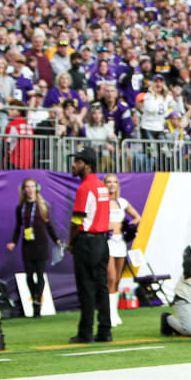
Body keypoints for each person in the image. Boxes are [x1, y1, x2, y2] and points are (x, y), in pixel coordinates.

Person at [67, 147, 112, 343]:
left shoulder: (84, 188)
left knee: (86, 288)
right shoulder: (101, 186)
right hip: (102, 241)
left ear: (87, 164)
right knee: (102, 288)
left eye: (77, 161)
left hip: (87, 241)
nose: (74, 165)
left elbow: (77, 221)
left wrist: (71, 242)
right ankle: (105, 330)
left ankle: (85, 333)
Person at [6, 178, 62, 317]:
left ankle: (38, 302)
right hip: (28, 243)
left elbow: (48, 224)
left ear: (36, 189)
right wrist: (13, 242)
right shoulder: (21, 208)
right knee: (29, 275)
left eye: (32, 187)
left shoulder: (43, 205)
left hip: (41, 243)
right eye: (27, 187)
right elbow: (18, 227)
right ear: (24, 190)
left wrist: (56, 239)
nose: (30, 189)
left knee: (40, 273)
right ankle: (34, 297)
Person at [103, 174, 141, 326]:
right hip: (107, 242)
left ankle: (114, 312)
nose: (112, 185)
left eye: (114, 182)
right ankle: (109, 314)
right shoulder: (102, 202)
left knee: (118, 279)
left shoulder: (122, 202)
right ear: (104, 184)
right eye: (108, 182)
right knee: (110, 278)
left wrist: (128, 228)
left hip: (120, 243)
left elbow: (137, 217)